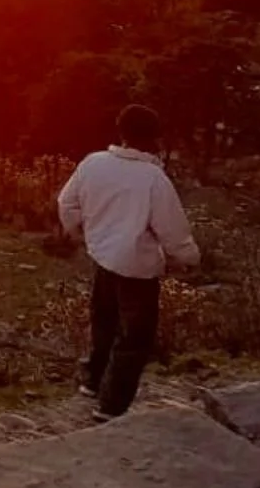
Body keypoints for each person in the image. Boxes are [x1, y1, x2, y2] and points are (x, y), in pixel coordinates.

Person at [57, 103, 201, 420]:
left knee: (103, 324)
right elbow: (172, 230)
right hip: (137, 269)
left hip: (101, 258)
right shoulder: (153, 179)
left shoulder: (93, 163)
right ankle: (111, 406)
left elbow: (67, 204)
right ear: (154, 138)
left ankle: (92, 383)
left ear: (120, 130)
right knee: (135, 338)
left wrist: (81, 232)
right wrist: (189, 257)